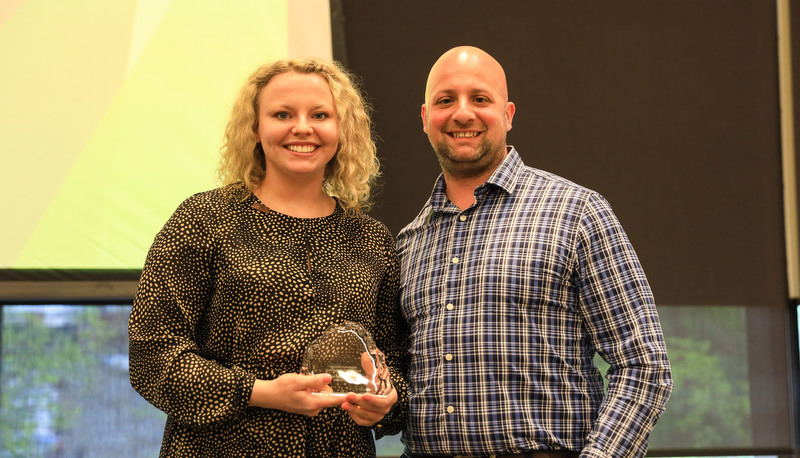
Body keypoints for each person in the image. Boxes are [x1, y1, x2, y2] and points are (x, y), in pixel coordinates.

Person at [397, 46, 673, 458]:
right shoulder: (408, 241)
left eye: (480, 99)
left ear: (508, 114)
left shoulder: (576, 211)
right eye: (445, 100)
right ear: (425, 119)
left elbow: (644, 366)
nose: (462, 113)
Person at [128, 57, 408, 457]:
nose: (302, 127)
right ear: (255, 129)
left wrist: (385, 400)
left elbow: (395, 360)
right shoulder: (204, 220)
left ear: (342, 130)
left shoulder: (371, 239)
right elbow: (152, 357)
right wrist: (259, 392)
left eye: (320, 114)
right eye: (282, 114)